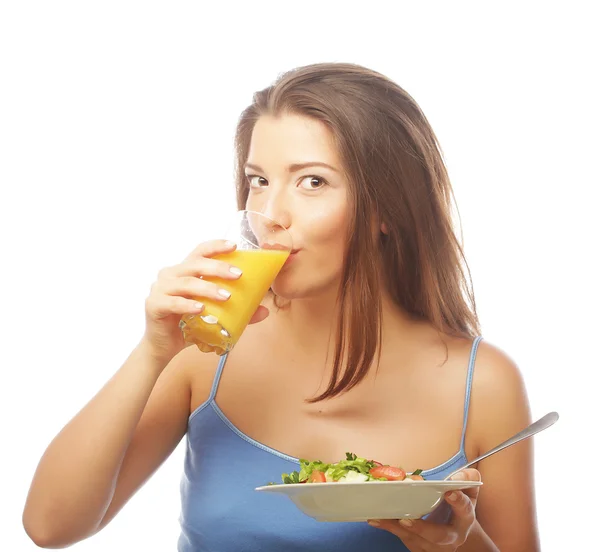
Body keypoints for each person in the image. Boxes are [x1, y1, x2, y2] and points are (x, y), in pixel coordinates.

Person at [23, 62, 539, 551]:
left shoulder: (485, 383)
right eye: (258, 181)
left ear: (387, 209)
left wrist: (459, 542)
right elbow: (50, 527)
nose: (270, 215)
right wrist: (152, 353)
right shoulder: (206, 352)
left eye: (312, 182)